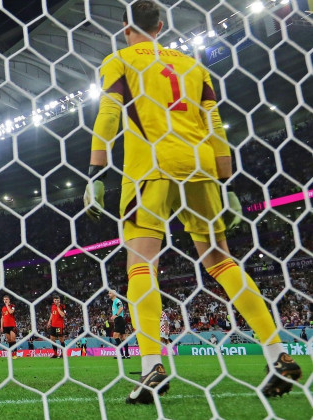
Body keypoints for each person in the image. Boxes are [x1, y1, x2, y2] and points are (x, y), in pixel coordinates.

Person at [84, 0, 302, 403]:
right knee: (220, 260)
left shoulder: (121, 59)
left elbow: (109, 116)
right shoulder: (192, 65)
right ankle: (277, 353)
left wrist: (96, 173)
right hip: (202, 166)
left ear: (125, 27)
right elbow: (216, 126)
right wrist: (228, 185)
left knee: (141, 264)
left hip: (152, 167)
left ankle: (151, 368)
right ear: (162, 26)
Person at [109, 290, 130, 359]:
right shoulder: (114, 302)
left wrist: (116, 315)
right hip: (120, 320)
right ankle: (127, 354)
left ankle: (121, 354)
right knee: (123, 337)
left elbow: (121, 308)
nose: (108, 294)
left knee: (115, 336)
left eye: (110, 293)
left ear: (114, 294)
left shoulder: (117, 300)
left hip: (119, 319)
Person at [0, 295, 18, 359]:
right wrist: (1, 326)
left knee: (13, 339)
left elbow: (11, 312)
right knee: (9, 340)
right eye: (4, 299)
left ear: (9, 300)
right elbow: (2, 317)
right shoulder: (3, 308)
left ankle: (15, 354)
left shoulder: (12, 306)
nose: (5, 300)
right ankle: (11, 353)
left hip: (12, 325)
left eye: (7, 299)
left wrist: (7, 305)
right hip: (5, 326)